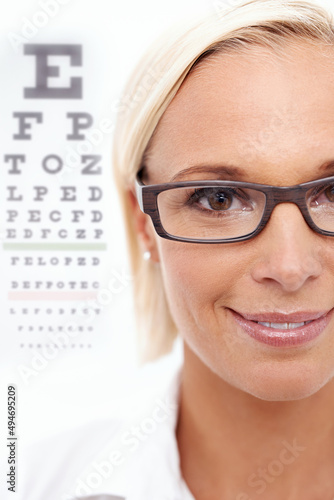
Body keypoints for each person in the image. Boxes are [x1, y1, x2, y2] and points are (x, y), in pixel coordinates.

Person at [19, 0, 334, 498]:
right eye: (219, 198)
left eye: (332, 193)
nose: (290, 268)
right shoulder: (33, 483)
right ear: (142, 224)